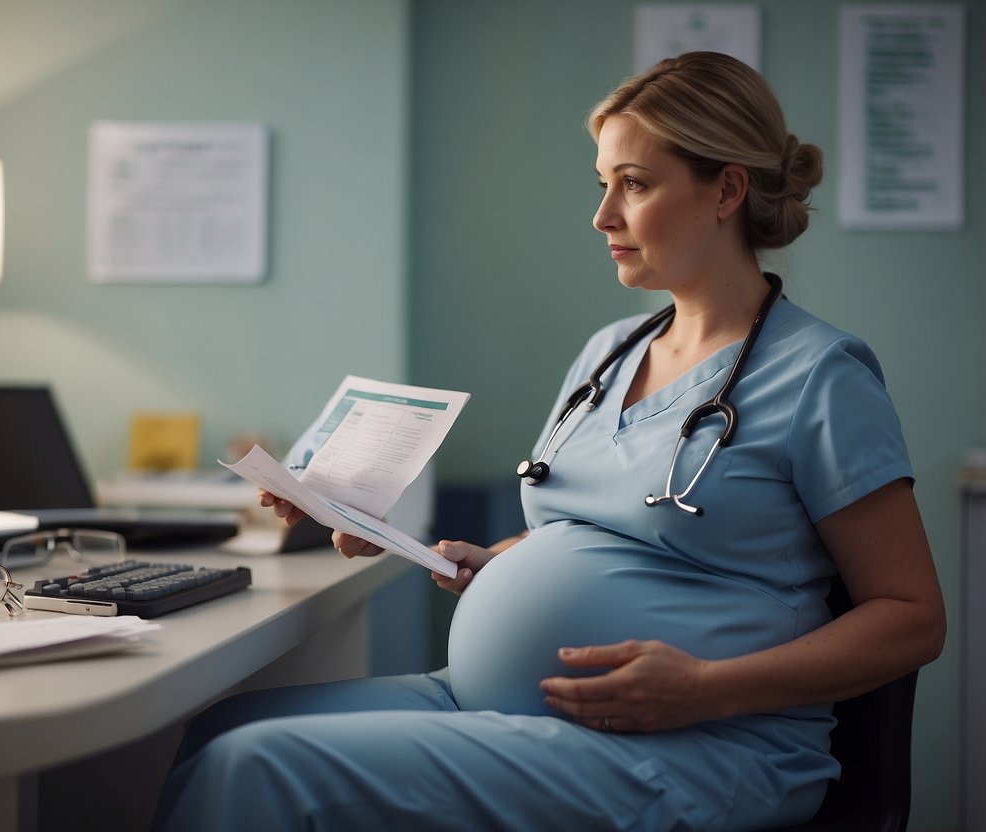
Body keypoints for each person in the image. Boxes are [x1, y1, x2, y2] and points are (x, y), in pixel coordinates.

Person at [150, 52, 945, 831]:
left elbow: (911, 616)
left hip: (697, 744)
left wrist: (705, 687)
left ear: (726, 190)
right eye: (603, 185)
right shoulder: (609, 352)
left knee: (252, 768)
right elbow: (598, 534)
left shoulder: (819, 376)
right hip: (509, 706)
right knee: (217, 731)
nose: (602, 217)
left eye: (633, 185)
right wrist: (491, 563)